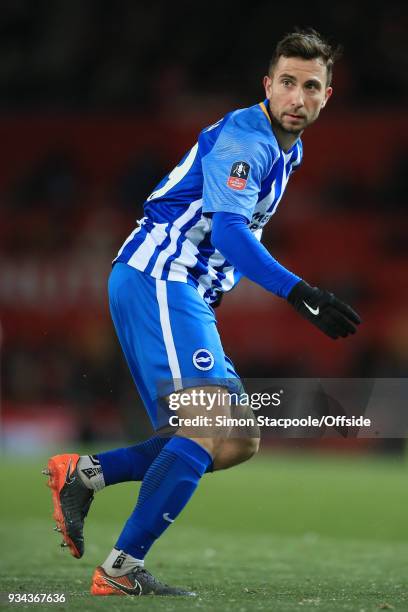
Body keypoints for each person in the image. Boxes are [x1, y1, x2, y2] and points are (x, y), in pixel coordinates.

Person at [43, 28, 361, 597]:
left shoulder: (292, 148)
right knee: (208, 424)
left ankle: (85, 474)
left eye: (310, 86)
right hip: (160, 277)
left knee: (237, 438)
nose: (296, 96)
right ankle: (120, 570)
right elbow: (234, 233)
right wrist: (299, 292)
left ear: (325, 96)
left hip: (181, 290)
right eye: (286, 82)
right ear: (268, 85)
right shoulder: (248, 138)